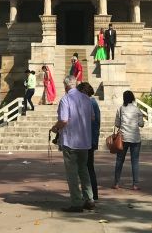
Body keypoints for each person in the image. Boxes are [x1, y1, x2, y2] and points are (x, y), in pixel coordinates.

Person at [50, 75, 96, 212]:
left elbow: (63, 120)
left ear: (65, 86)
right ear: (75, 84)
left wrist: (55, 127)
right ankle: (89, 199)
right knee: (84, 171)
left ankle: (76, 202)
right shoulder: (86, 99)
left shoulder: (66, 99)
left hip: (70, 141)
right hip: (85, 141)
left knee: (72, 173)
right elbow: (92, 117)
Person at [113, 90, 145, 190]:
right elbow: (141, 124)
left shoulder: (121, 109)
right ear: (132, 98)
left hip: (123, 138)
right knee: (134, 161)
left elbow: (117, 124)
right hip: (135, 138)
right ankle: (135, 184)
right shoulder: (137, 110)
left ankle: (116, 183)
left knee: (119, 160)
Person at [77, 82, 100, 201]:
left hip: (85, 140)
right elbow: (96, 124)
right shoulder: (94, 103)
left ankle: (88, 194)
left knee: (84, 168)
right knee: (90, 167)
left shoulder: (88, 103)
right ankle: (93, 194)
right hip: (91, 139)